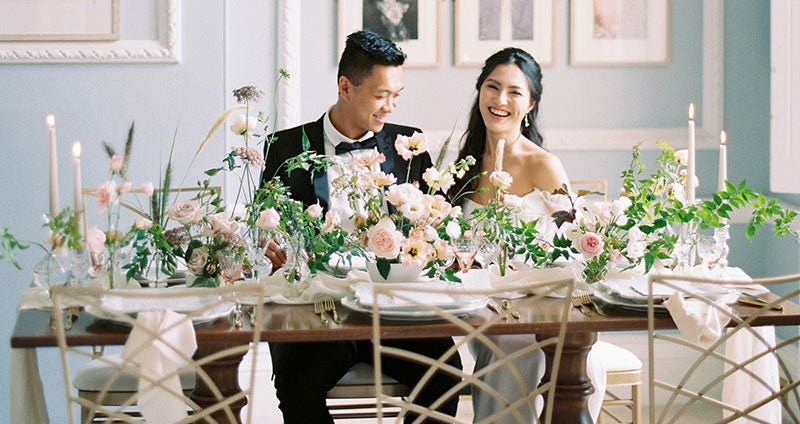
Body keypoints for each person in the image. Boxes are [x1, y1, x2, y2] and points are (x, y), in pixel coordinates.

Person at [260, 30, 462, 423]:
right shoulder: (284, 148)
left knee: (447, 374)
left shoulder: (409, 145)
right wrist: (269, 243)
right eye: (381, 94)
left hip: (394, 311)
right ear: (345, 87)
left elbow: (438, 223)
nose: (391, 106)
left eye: (397, 95)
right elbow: (264, 228)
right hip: (316, 312)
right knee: (298, 386)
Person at [448, 47, 607, 423]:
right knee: (503, 343)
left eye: (515, 92)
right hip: (480, 309)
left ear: (530, 103)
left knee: (519, 346)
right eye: (492, 87)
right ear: (480, 91)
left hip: (543, 308)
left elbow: (579, 247)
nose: (501, 100)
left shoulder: (543, 165)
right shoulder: (464, 163)